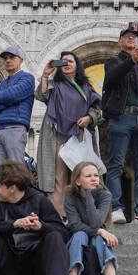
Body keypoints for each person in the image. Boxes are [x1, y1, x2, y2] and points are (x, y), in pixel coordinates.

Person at [102, 25, 138, 225]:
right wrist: (131, 61)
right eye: (126, 36)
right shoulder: (113, 62)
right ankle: (116, 208)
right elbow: (111, 79)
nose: (131, 38)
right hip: (122, 117)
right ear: (120, 42)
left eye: (134, 36)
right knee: (116, 164)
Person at [36, 50, 102, 214]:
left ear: (77, 65)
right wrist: (45, 75)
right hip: (58, 136)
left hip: (78, 137)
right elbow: (42, 95)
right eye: (63, 62)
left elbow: (97, 109)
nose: (67, 64)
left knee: (80, 177)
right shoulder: (54, 84)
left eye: (70, 61)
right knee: (58, 178)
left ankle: (80, 216)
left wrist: (88, 118)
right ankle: (57, 216)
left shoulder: (86, 87)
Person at [63, 161, 120, 275]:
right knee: (80, 235)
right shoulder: (70, 195)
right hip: (77, 237)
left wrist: (89, 196)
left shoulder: (105, 195)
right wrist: (100, 231)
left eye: (96, 175)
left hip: (97, 238)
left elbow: (96, 222)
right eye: (88, 176)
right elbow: (75, 225)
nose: (94, 179)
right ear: (77, 181)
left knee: (99, 239)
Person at [0, 46, 36, 174]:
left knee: (15, 171)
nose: (8, 60)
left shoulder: (27, 78)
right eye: (5, 58)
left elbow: (13, 94)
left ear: (21, 60)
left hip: (15, 127)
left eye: (12, 57)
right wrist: (10, 100)